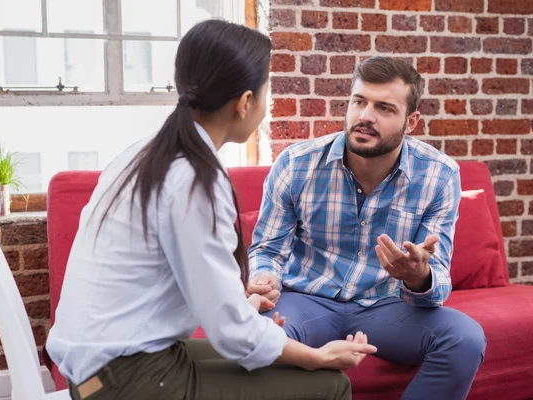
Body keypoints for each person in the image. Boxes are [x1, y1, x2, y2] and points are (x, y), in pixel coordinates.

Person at [46, 19, 377, 400]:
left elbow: (176, 283)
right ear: (245, 102)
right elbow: (233, 333)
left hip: (100, 370)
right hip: (125, 381)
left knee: (277, 356)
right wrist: (316, 357)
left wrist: (241, 303)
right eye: (266, 92)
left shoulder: (144, 153)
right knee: (330, 385)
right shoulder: (194, 180)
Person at [246, 56, 487, 400]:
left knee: (465, 337)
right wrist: (266, 279)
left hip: (387, 306)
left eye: (385, 108)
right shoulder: (296, 163)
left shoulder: (439, 175)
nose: (365, 116)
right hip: (307, 301)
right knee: (259, 336)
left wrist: (417, 275)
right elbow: (268, 250)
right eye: (359, 102)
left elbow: (438, 281)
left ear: (411, 121)